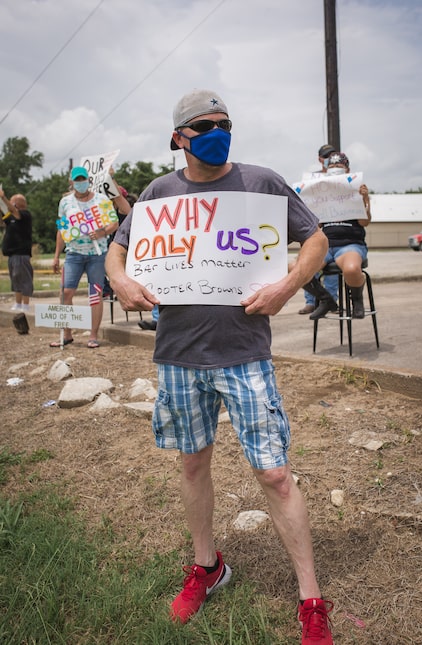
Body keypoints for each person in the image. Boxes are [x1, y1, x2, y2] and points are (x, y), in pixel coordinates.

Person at [106, 89, 334, 644]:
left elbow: (317, 240)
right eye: (204, 124)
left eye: (225, 122)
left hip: (244, 353)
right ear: (179, 138)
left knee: (275, 474)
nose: (218, 130)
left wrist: (287, 285)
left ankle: (311, 600)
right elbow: (117, 248)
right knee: (192, 465)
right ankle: (208, 568)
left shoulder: (261, 183)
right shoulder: (159, 195)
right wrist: (119, 278)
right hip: (180, 356)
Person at [49, 166, 120, 348]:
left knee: (95, 293)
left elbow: (115, 223)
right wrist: (56, 256)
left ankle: (93, 335)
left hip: (97, 254)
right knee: (65, 292)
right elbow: (62, 230)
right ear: (71, 182)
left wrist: (102, 232)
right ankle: (66, 334)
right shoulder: (65, 202)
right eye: (77, 180)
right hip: (73, 253)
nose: (80, 183)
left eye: (83, 179)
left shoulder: (101, 200)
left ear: (88, 180)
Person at [303, 152, 371, 320]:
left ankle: (357, 301)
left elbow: (364, 222)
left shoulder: (356, 188)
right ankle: (327, 301)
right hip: (325, 244)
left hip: (350, 244)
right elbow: (317, 226)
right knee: (297, 269)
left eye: (339, 167)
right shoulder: (320, 190)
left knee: (352, 269)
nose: (335, 170)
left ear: (347, 169)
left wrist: (365, 199)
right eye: (331, 167)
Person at [298, 144, 337, 315]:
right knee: (307, 264)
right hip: (318, 230)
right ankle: (311, 301)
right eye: (326, 156)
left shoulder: (343, 179)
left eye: (332, 155)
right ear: (320, 159)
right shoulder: (313, 180)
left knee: (333, 269)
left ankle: (332, 300)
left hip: (336, 230)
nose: (329, 159)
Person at [0, 189, 33, 312]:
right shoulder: (12, 217)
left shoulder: (24, 215)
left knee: (24, 279)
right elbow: (3, 220)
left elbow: (14, 211)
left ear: (17, 204)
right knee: (16, 280)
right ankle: (18, 303)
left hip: (21, 254)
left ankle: (25, 304)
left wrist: (3, 197)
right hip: (12, 255)